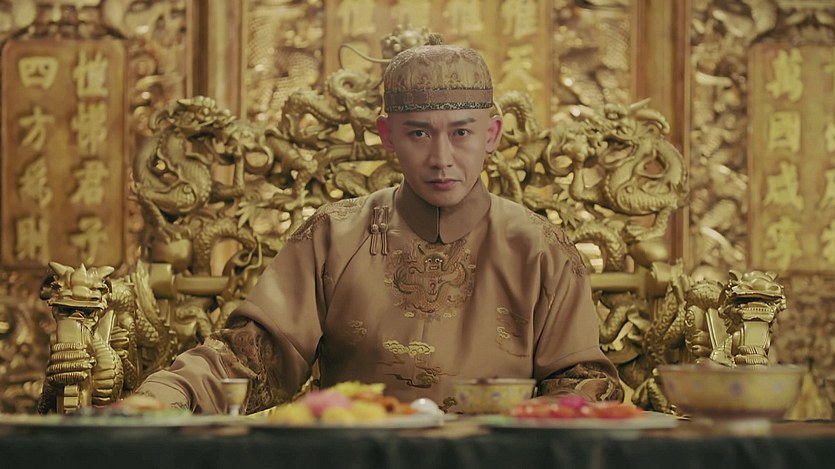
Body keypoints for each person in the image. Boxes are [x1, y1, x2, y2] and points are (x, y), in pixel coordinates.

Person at [136, 41, 624, 414]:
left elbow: (580, 385)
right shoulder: (334, 235)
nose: (441, 158)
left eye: (461, 132)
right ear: (387, 135)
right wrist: (163, 397)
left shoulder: (540, 248)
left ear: (492, 134)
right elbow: (251, 357)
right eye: (418, 133)